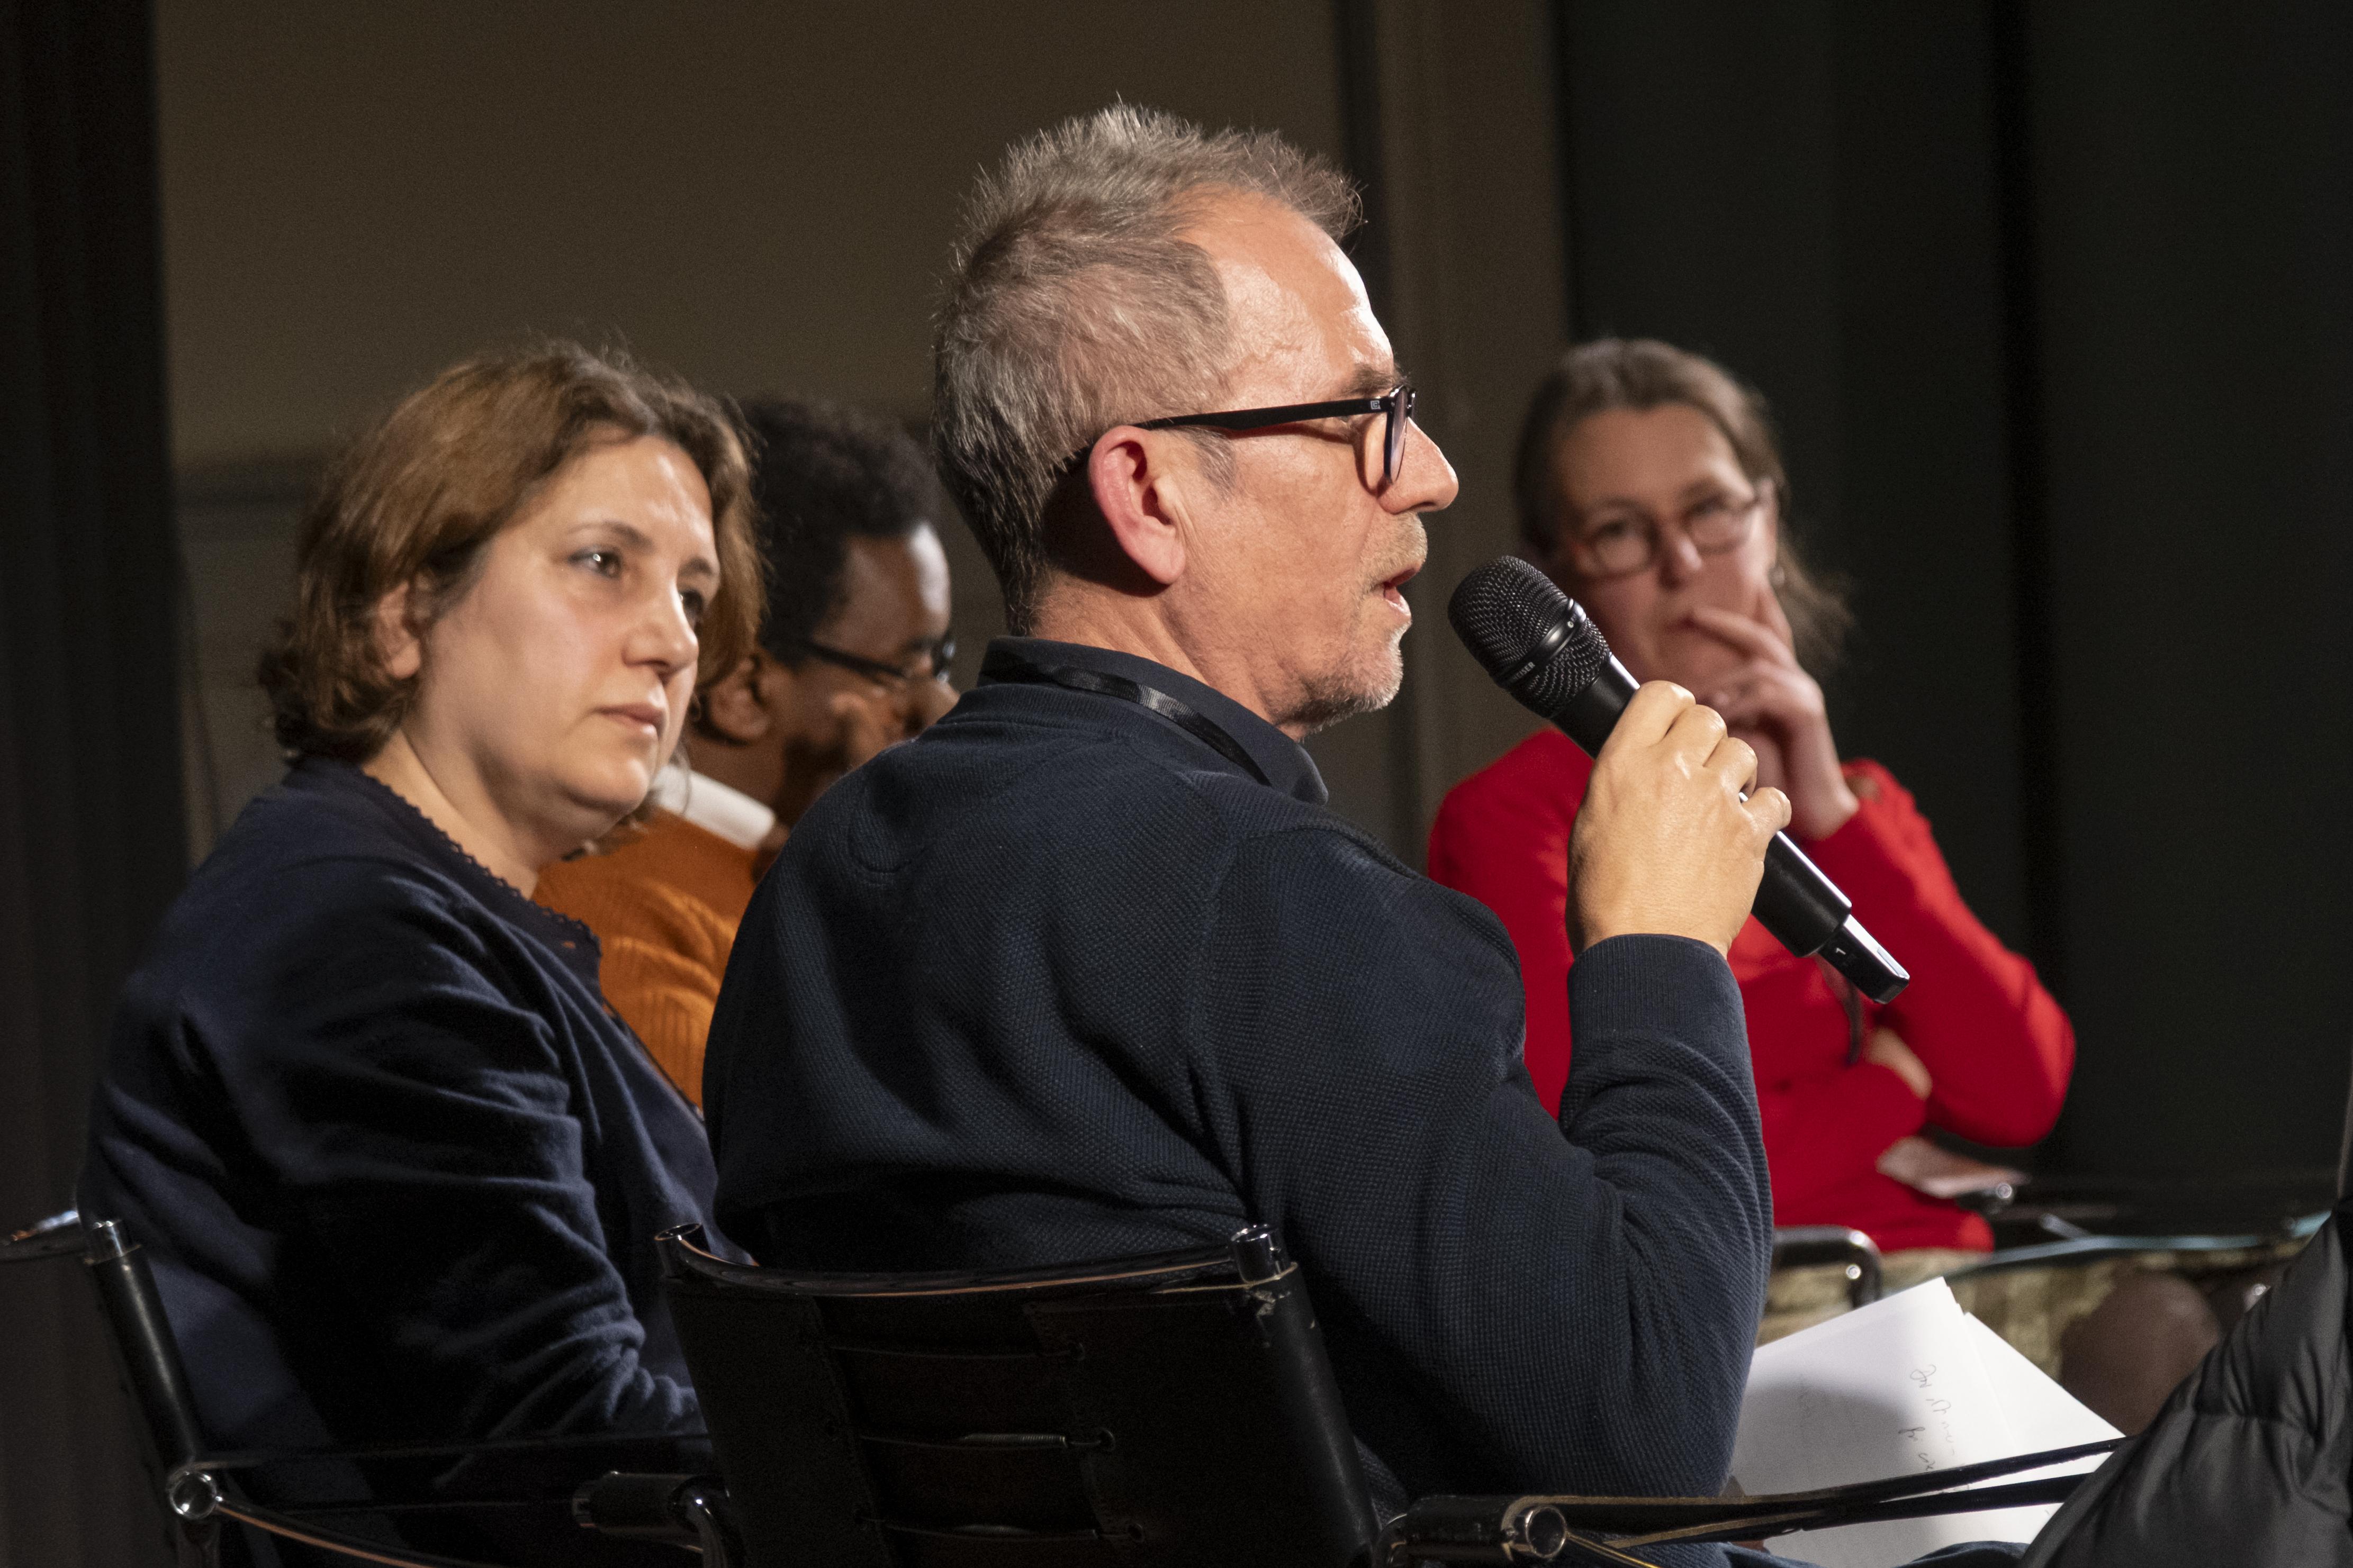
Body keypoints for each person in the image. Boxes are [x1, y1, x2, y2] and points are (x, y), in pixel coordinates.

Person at [703, 105, 1805, 1558]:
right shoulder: (1263, 898)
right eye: (1362, 417)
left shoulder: (814, 883)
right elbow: (1649, 1433)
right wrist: (1658, 947)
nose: (1428, 477)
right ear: (1148, 492)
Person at [80, 343, 759, 1560]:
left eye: (693, 596)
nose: (671, 642)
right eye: (604, 565)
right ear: (403, 613)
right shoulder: (347, 929)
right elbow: (568, 1449)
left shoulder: (424, 911)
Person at [1428, 339, 2075, 1258]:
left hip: (1946, 1276)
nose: (1682, 561)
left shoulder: (1852, 806)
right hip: (1766, 1306)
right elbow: (1612, 1162)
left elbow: (2019, 1092)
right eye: (1619, 531)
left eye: (1711, 511)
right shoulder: (1516, 815)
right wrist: (1890, 1090)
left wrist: (1827, 811)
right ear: (1558, 576)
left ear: (1766, 521)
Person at [536, 396, 955, 1104]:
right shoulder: (609, 913)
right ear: (741, 691)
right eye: (902, 670)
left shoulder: (800, 878)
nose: (938, 708)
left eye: (941, 662)